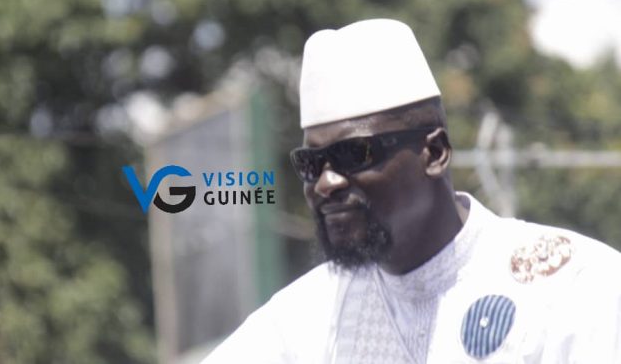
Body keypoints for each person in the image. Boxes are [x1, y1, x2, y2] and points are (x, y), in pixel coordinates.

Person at [202, 19, 621, 363]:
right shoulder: (307, 316)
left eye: (354, 154)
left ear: (434, 153)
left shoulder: (571, 286)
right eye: (312, 164)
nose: (326, 183)